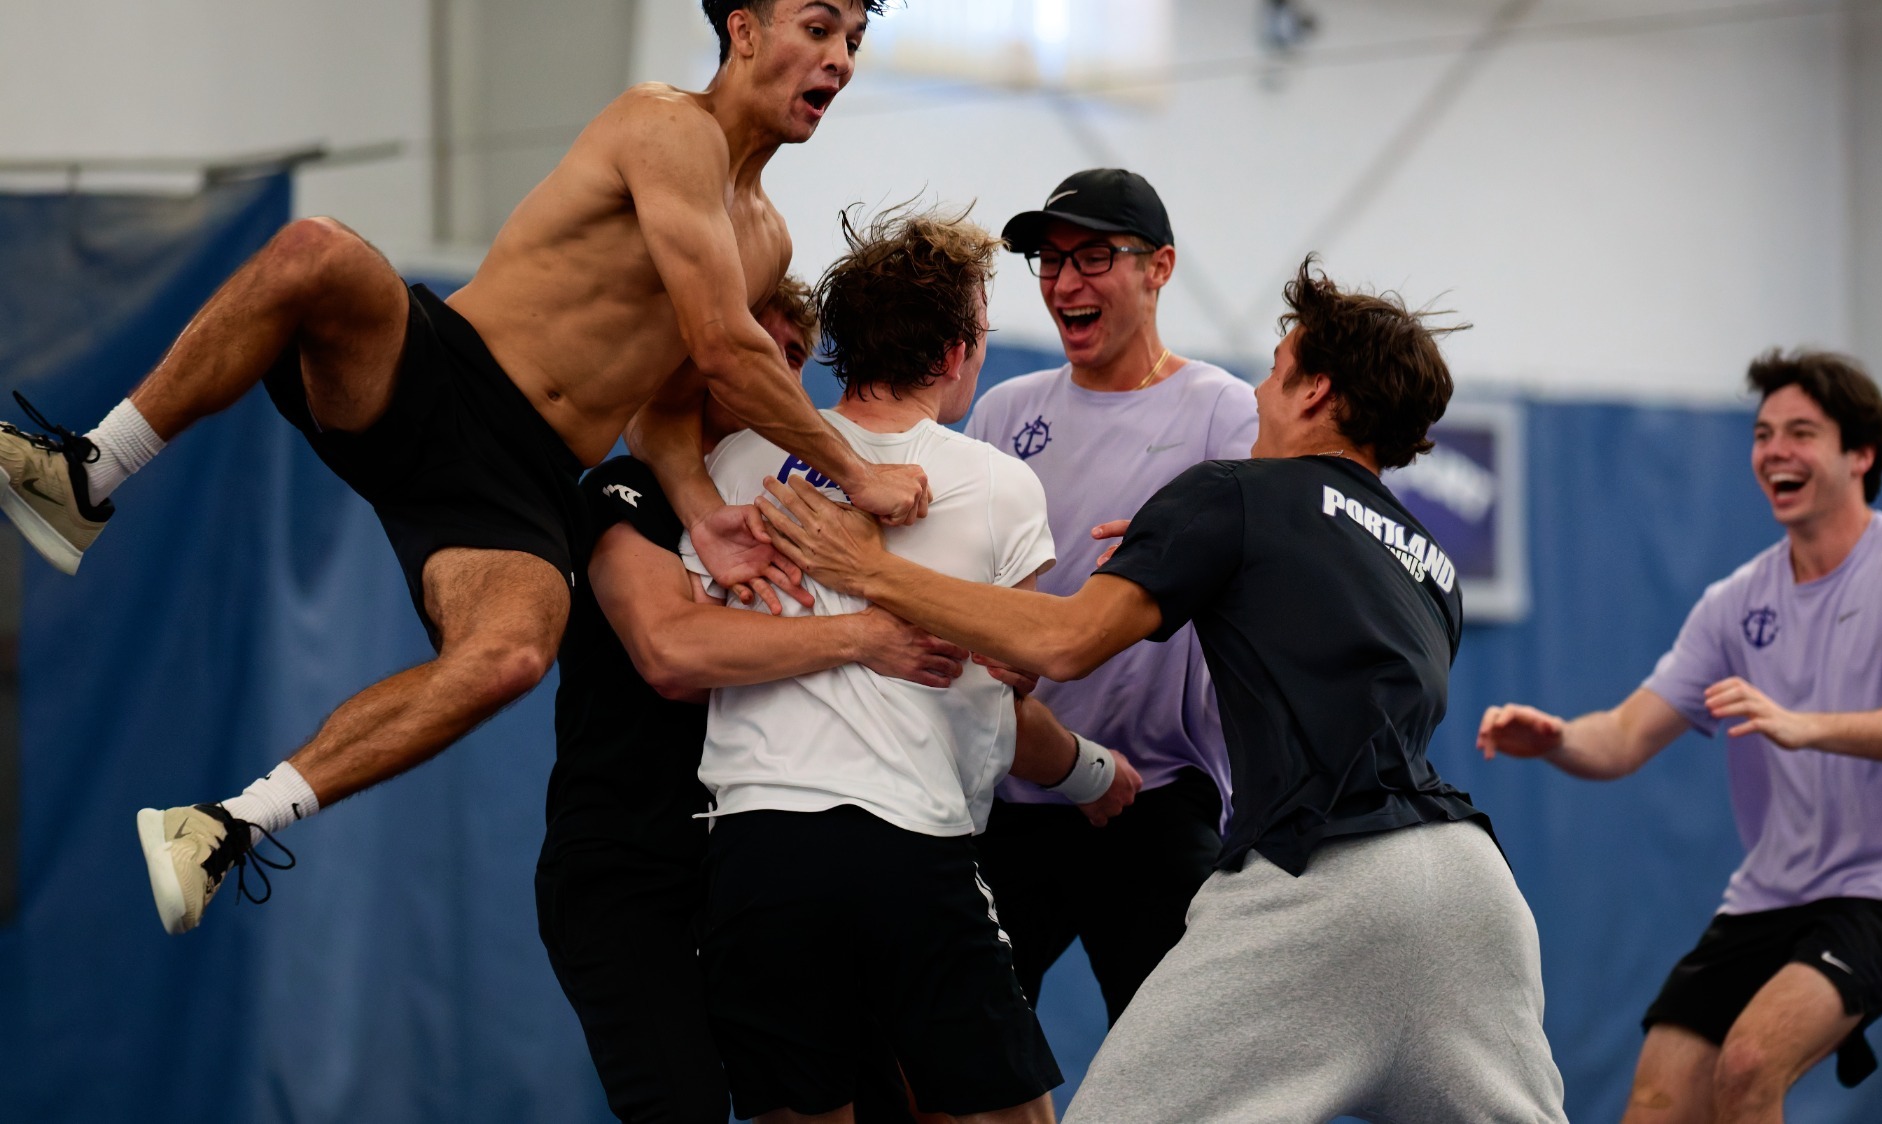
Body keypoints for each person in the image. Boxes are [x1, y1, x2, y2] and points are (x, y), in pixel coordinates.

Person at [0, 0, 930, 935]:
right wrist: (858, 473)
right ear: (744, 32)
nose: (840, 59)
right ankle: (89, 471)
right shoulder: (664, 124)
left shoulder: (765, 241)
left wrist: (696, 506)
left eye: (854, 39)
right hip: (431, 378)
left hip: (516, 485)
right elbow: (729, 350)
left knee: (512, 654)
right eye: (819, 27)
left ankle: (228, 827)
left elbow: (666, 400)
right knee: (317, 252)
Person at [756, 258, 1569, 1124]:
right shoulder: (1431, 566)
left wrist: (873, 571)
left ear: (1316, 390)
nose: (1258, 394)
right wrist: (1182, 560)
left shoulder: (1236, 493)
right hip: (1472, 892)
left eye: (1276, 368)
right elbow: (1311, 625)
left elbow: (1063, 644)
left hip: (1319, 882)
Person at [687, 205, 1138, 1124]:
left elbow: (692, 647)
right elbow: (1020, 679)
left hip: (755, 845)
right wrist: (1090, 764)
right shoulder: (1001, 483)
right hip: (911, 846)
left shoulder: (739, 461)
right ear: (958, 351)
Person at [1478, 350, 1882, 1124]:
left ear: (1861, 454)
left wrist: (1807, 726)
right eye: (1763, 433)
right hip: (1773, 893)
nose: (1775, 450)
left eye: (1802, 433)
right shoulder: (1735, 603)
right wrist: (1553, 739)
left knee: (1748, 1067)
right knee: (1655, 1101)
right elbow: (1622, 736)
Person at [537, 279, 959, 1124]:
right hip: (630, 870)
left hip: (759, 869)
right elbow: (670, 654)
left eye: (791, 357)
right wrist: (861, 638)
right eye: (747, 347)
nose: (766, 369)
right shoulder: (625, 493)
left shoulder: (802, 510)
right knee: (680, 1106)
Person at [960, 168, 1255, 1023]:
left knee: (1185, 1065)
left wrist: (1186, 556)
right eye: (1050, 263)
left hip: (1159, 798)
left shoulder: (1223, 414)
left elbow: (1270, 573)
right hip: (1013, 790)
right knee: (952, 1061)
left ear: (1159, 268)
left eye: (1094, 258)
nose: (1065, 284)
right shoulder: (1004, 412)